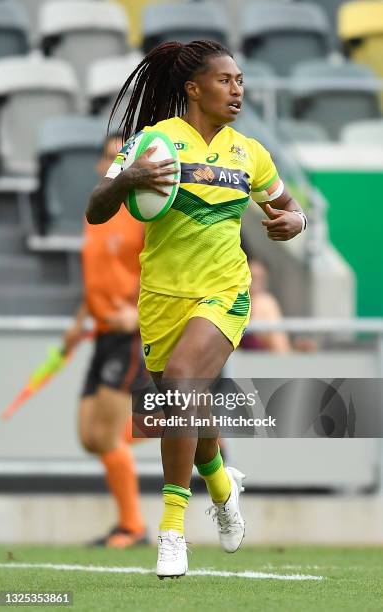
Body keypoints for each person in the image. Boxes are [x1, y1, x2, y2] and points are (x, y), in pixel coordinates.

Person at [86, 40, 306, 578]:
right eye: (225, 80)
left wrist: (294, 222)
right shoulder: (154, 141)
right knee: (186, 408)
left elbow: (289, 207)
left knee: (184, 381)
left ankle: (171, 529)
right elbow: (95, 208)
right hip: (162, 297)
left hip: (225, 292)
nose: (237, 90)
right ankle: (224, 485)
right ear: (193, 88)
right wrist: (127, 180)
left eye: (240, 81)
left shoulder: (249, 152)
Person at [64, 133, 148, 548]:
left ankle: (132, 526)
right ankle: (177, 424)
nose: (115, 163)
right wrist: (77, 323)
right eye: (110, 157)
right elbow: (94, 279)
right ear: (101, 167)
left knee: (107, 434)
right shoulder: (94, 213)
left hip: (128, 336)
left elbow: (161, 275)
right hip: (99, 334)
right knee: (90, 436)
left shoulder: (144, 213)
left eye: (124, 157)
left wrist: (136, 314)